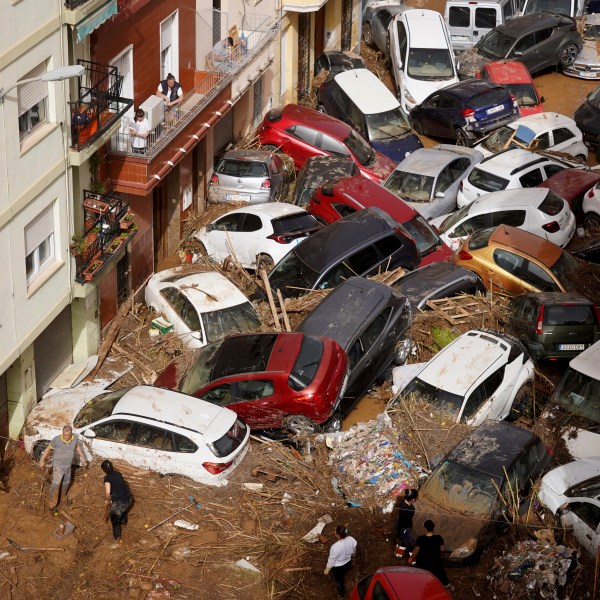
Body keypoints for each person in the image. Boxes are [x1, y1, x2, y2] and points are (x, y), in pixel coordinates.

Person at [39, 425, 87, 511]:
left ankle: (63, 496)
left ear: (71, 434)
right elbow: (48, 448)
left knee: (66, 482)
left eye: (68, 435)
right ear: (62, 433)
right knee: (56, 484)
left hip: (68, 466)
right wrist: (42, 460)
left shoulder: (75, 439)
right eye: (65, 435)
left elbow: (77, 447)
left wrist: (82, 457)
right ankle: (52, 503)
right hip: (58, 466)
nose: (66, 437)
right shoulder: (56, 439)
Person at [408, 520, 450, 587]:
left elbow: (416, 551)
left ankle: (418, 583)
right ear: (433, 528)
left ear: (425, 528)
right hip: (435, 562)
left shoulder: (420, 539)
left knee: (418, 573)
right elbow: (442, 550)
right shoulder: (439, 538)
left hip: (422, 562)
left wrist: (411, 558)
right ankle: (446, 584)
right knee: (440, 571)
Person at [101, 459, 132, 544]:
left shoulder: (107, 478)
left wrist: (107, 500)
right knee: (123, 510)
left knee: (114, 518)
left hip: (120, 502)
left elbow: (107, 492)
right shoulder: (118, 474)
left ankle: (117, 539)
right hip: (128, 499)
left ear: (104, 470)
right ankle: (123, 522)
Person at [324, 525, 357, 600]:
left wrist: (327, 568)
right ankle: (348, 570)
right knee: (347, 568)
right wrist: (353, 556)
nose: (334, 533)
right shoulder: (351, 539)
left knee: (339, 580)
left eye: (335, 532)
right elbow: (354, 551)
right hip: (348, 561)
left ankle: (341, 594)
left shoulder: (335, 547)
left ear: (338, 535)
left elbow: (331, 560)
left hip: (338, 567)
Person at [394, 488, 418, 559]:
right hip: (405, 527)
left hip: (401, 525)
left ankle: (398, 554)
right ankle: (413, 559)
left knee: (403, 541)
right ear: (412, 499)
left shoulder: (402, 503)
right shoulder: (411, 509)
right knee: (409, 542)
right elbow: (408, 520)